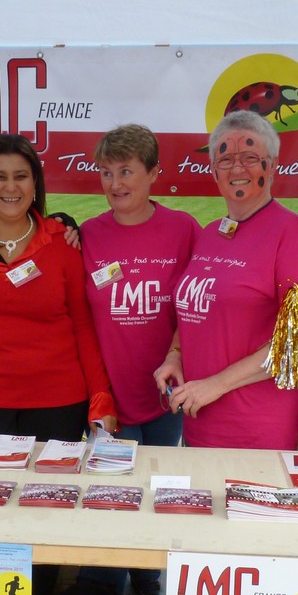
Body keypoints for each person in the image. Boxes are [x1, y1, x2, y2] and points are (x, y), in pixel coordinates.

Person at [0, 134, 117, 595]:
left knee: (45, 510)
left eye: (21, 176)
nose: (11, 187)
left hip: (56, 403)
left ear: (36, 184)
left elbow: (82, 324)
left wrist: (100, 398)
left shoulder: (61, 242)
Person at [154, 109, 298, 449]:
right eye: (226, 159)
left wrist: (216, 384)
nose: (237, 169)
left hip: (260, 431)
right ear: (214, 170)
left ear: (272, 166)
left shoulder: (292, 235)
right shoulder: (210, 234)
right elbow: (197, 309)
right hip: (201, 425)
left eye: (250, 158)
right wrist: (175, 354)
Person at [82, 124, 199, 446]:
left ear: (153, 173)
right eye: (106, 173)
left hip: (167, 393)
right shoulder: (87, 235)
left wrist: (178, 355)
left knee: (159, 472)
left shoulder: (184, 230)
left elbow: (197, 309)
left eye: (125, 172)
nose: (114, 184)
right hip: (108, 400)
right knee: (114, 478)